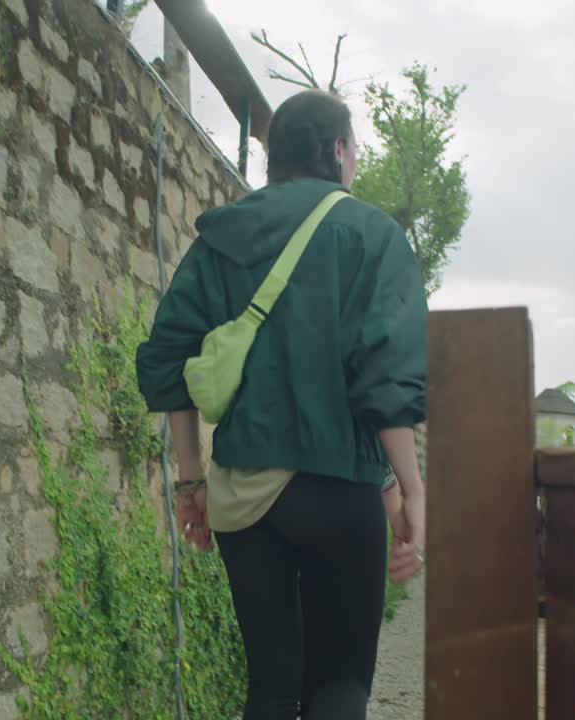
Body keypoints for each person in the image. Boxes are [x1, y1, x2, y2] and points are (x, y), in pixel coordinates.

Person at [135, 89, 427, 720]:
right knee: (341, 683)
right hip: (338, 492)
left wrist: (191, 484)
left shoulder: (220, 238)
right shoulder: (374, 237)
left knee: (270, 688)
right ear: (341, 152)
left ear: (273, 157)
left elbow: (169, 362)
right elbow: (386, 378)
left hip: (245, 498)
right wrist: (411, 492)